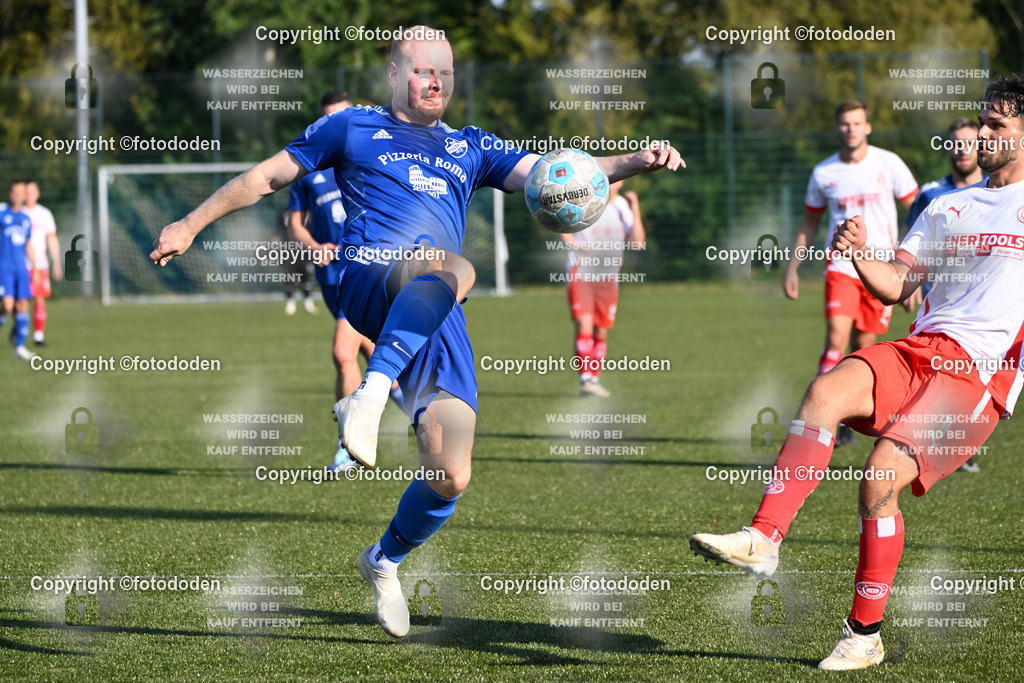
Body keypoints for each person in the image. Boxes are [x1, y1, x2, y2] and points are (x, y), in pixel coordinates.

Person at [149, 26, 682, 639]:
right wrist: (190, 225)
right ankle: (370, 395)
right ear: (395, 76)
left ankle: (383, 560)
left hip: (437, 309)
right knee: (455, 265)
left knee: (451, 472)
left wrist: (632, 161)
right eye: (424, 70)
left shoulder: (470, 146)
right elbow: (266, 178)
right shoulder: (350, 127)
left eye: (446, 73)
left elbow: (555, 178)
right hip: (370, 278)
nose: (436, 82)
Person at [691, 73, 1024, 670]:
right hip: (920, 346)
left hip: (977, 373)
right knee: (824, 391)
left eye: (997, 124)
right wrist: (858, 250)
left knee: (879, 478)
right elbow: (899, 284)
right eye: (982, 120)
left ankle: (864, 633)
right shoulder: (947, 205)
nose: (982, 133)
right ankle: (764, 538)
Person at [784, 100, 919, 446]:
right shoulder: (823, 173)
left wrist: (912, 268)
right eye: (845, 124)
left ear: (867, 127)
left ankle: (846, 415)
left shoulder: (889, 163)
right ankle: (816, 422)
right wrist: (793, 267)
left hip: (882, 270)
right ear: (837, 129)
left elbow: (919, 210)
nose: (851, 129)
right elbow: (810, 221)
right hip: (841, 267)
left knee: (863, 345)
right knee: (836, 336)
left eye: (857, 123)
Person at [287, 90, 401, 471]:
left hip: (365, 271)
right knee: (372, 350)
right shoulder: (310, 169)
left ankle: (348, 445)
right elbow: (294, 225)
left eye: (342, 116)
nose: (336, 125)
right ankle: (415, 406)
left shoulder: (372, 162)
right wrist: (315, 245)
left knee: (342, 352)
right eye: (328, 118)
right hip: (330, 278)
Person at [905, 118, 988, 472]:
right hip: (936, 302)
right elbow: (911, 240)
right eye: (954, 143)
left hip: (982, 307)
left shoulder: (998, 192)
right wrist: (906, 281)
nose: (962, 149)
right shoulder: (930, 194)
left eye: (969, 142)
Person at [562, 180, 645, 397]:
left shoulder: (622, 207)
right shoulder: (585, 201)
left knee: (601, 330)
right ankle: (585, 379)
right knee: (584, 324)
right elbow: (562, 226)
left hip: (608, 277)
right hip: (582, 272)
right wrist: (578, 246)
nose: (612, 180)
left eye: (616, 176)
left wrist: (635, 207)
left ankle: (594, 379)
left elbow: (637, 242)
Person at [0, 180, 38, 360]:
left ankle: (20, 347)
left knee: (22, 305)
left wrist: (35, 267)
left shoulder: (25, 219)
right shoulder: (2, 214)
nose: (16, 196)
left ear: (24, 196)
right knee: (7, 306)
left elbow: (28, 244)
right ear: (10, 194)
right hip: (4, 267)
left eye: (20, 193)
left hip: (21, 269)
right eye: (13, 192)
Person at [22, 180, 62, 346]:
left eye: (32, 192)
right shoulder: (16, 212)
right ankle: (19, 331)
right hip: (20, 264)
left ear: (38, 193)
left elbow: (51, 239)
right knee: (20, 302)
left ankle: (38, 336)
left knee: (38, 299)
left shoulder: (44, 214)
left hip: (40, 264)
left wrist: (57, 263)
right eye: (26, 192)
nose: (29, 195)